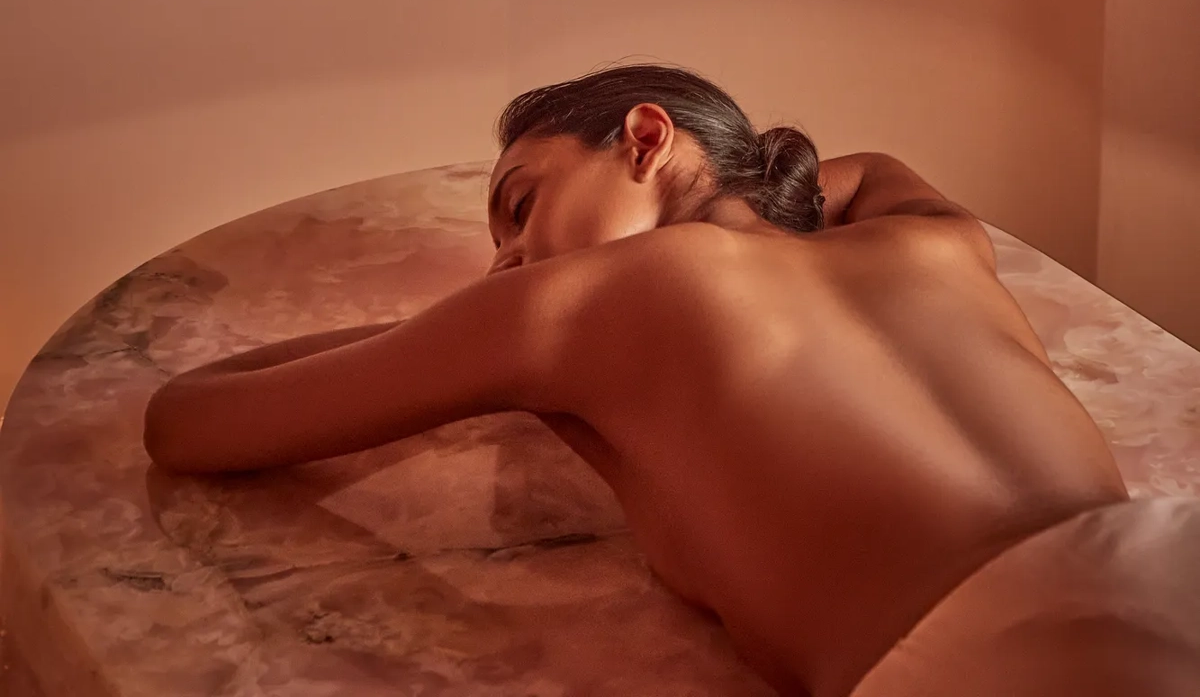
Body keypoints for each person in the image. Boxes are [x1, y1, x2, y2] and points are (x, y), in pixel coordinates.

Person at [144, 63, 1200, 697]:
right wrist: (751, 195)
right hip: (1168, 560)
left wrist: (455, 332)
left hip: (1010, 659)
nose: (508, 262)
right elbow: (872, 168)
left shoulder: (578, 306)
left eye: (521, 205)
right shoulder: (934, 240)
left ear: (645, 136)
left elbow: (184, 422)